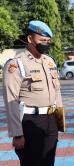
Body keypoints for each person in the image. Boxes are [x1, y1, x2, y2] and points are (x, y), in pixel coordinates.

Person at [3, 20, 63, 166]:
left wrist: (59, 122)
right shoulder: (16, 64)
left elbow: (57, 93)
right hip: (30, 122)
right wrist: (17, 134)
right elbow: (11, 100)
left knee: (48, 162)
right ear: (30, 39)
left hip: (50, 121)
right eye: (42, 40)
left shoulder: (50, 62)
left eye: (48, 41)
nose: (46, 44)